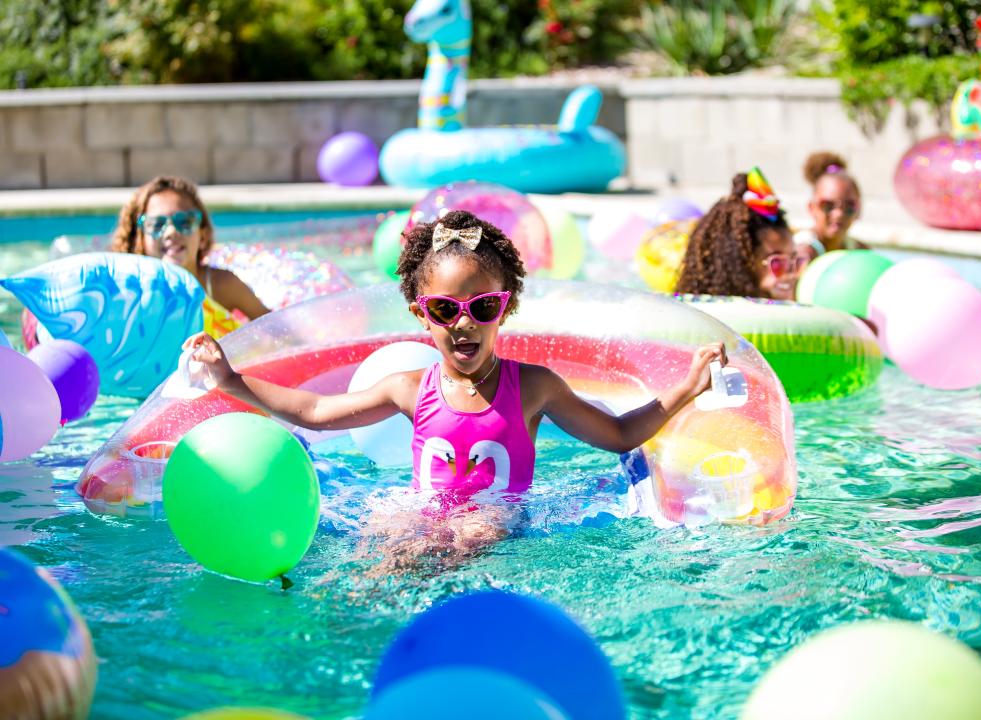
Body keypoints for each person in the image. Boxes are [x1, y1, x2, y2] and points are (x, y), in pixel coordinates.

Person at [184, 210, 725, 570]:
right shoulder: (407, 388)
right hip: (422, 508)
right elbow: (318, 411)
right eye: (445, 309)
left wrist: (689, 387)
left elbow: (618, 434)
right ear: (422, 314)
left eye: (481, 307)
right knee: (379, 554)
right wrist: (230, 379)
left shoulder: (533, 387)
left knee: (469, 536)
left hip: (496, 521)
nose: (462, 324)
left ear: (505, 307)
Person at [111, 175, 269, 337]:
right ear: (140, 239)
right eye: (157, 224)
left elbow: (276, 330)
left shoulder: (221, 285)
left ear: (203, 234)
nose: (171, 232)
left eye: (184, 222)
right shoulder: (131, 294)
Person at [675, 168, 804, 301]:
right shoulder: (701, 315)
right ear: (739, 264)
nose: (791, 274)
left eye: (796, 261)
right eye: (777, 262)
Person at [796, 152, 865, 259]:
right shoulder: (802, 253)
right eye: (828, 205)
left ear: (859, 209)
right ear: (811, 207)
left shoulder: (861, 252)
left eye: (849, 206)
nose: (839, 214)